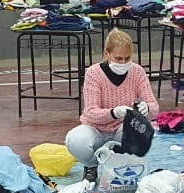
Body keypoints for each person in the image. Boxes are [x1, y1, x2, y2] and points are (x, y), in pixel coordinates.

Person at [66, 29, 159, 183]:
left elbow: (154, 107)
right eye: (118, 58)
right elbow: (90, 112)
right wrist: (114, 113)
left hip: (122, 131)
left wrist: (147, 108)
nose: (123, 62)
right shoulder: (93, 74)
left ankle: (119, 163)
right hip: (95, 130)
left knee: (141, 132)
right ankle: (91, 166)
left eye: (127, 58)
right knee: (76, 140)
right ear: (106, 53)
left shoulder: (137, 72)